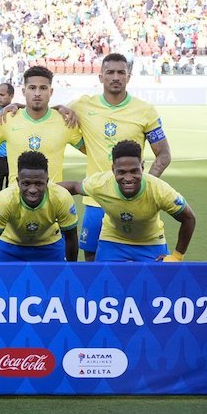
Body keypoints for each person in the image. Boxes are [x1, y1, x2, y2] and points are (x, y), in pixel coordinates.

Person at [69, 53, 172, 261]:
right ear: (101, 77)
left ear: (128, 77)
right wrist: (13, 107)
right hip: (96, 199)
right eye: (110, 72)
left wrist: (147, 185)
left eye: (121, 72)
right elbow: (49, 114)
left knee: (149, 264)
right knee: (92, 260)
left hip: (133, 201)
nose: (115, 77)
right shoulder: (82, 105)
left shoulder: (145, 111)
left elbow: (164, 154)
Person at [59, 140, 194, 262]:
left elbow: (188, 218)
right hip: (112, 240)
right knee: (104, 283)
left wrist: (177, 256)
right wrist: (45, 191)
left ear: (142, 167)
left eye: (134, 171)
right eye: (122, 172)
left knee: (158, 286)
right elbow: (74, 186)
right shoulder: (101, 183)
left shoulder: (159, 189)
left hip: (151, 242)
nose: (128, 178)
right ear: (113, 170)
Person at [0, 66, 84, 187]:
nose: (37, 93)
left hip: (53, 201)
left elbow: (91, 150)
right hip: (16, 201)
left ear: (51, 91)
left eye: (43, 88)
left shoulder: (66, 122)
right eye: (32, 88)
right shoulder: (7, 120)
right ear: (24, 91)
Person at [0, 151, 78, 262]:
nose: (32, 190)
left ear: (47, 181)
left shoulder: (62, 198)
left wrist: (71, 270)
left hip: (50, 246)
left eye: (39, 183)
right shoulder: (4, 200)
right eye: (26, 183)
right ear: (18, 182)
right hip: (9, 247)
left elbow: (71, 237)